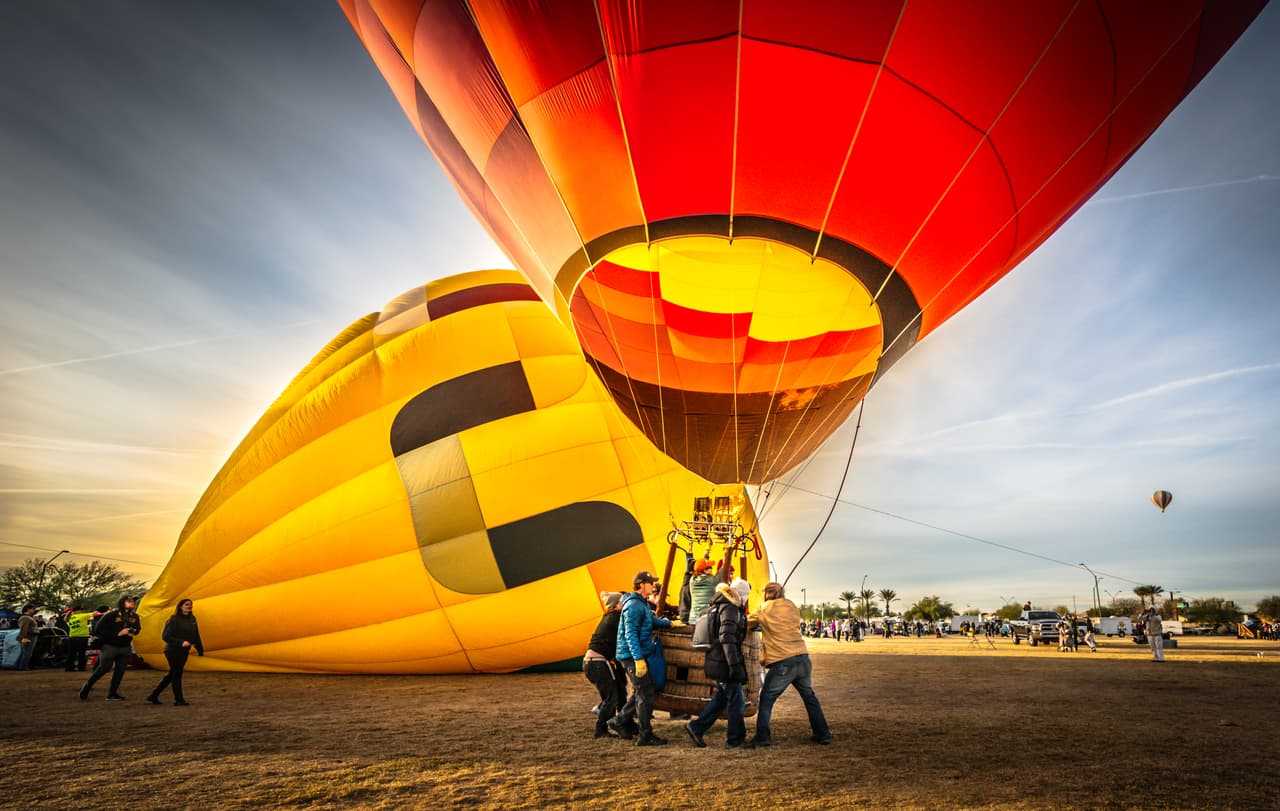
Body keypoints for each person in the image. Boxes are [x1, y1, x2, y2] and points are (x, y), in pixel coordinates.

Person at [748, 582, 831, 747]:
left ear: (766, 594)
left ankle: (762, 737)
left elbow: (747, 623)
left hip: (783, 660)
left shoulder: (764, 608)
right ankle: (822, 733)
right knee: (809, 697)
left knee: (766, 698)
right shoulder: (791, 606)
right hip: (802, 656)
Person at [685, 578, 750, 749]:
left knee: (722, 699)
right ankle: (735, 740)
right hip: (724, 662)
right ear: (742, 596)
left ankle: (696, 727)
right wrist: (734, 666)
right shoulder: (730, 608)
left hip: (717, 659)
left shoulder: (721, 605)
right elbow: (727, 638)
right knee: (736, 701)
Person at [610, 571, 672, 746]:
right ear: (641, 584)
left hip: (635, 654)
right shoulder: (634, 606)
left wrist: (667, 623)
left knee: (642, 690)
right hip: (631, 656)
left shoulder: (641, 604)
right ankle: (645, 735)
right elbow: (630, 635)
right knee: (646, 692)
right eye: (650, 582)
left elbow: (650, 620)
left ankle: (619, 721)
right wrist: (638, 659)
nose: (653, 585)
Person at [79, 595, 141, 701]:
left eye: (133, 602)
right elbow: (98, 630)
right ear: (122, 602)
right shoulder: (111, 615)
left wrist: (133, 631)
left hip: (125, 647)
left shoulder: (135, 616)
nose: (132, 603)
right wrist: (117, 634)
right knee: (103, 668)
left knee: (120, 671)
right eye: (129, 601)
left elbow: (138, 629)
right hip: (110, 646)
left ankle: (112, 693)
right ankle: (87, 686)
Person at [583, 591, 627, 738]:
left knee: (615, 694)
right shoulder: (615, 617)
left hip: (594, 662)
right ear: (616, 605)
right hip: (597, 663)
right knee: (611, 697)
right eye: (623, 601)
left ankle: (622, 723)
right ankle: (600, 729)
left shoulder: (609, 617)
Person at [146, 598, 205, 706]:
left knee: (172, 674)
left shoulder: (192, 619)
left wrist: (200, 649)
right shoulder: (174, 619)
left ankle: (153, 695)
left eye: (191, 605)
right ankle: (179, 700)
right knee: (177, 674)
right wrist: (181, 642)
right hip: (172, 651)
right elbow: (166, 636)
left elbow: (196, 635)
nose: (189, 606)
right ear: (181, 606)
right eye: (187, 604)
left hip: (184, 651)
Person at [63, 606, 93, 672]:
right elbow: (95, 613)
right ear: (77, 611)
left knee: (71, 653)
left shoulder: (69, 618)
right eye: (81, 610)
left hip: (72, 637)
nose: (82, 611)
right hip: (82, 637)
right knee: (82, 653)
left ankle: (69, 667)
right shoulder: (82, 616)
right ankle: (81, 667)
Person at [15, 605, 38, 670]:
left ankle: (20, 666)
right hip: (29, 635)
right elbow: (24, 628)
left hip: (29, 635)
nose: (33, 610)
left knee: (25, 652)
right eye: (32, 609)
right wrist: (23, 637)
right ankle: (23, 666)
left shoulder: (26, 617)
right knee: (27, 652)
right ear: (28, 609)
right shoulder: (25, 618)